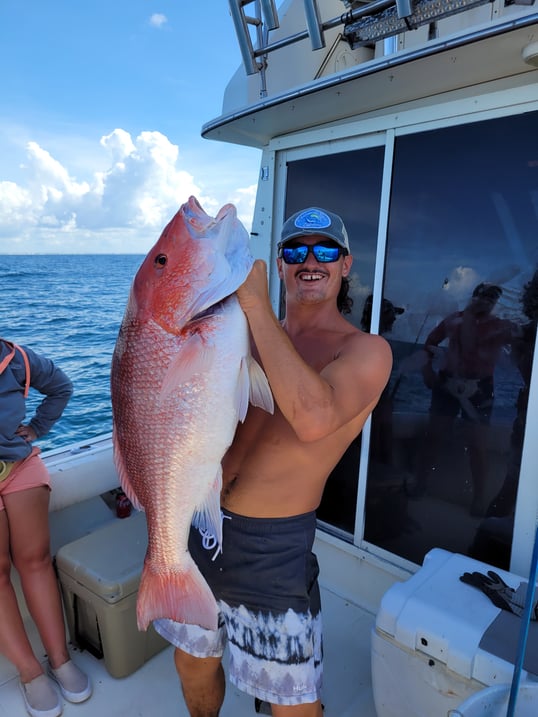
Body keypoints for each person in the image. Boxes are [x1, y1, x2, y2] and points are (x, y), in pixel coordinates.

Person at [154, 207, 392, 716]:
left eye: (325, 250)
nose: (310, 260)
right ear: (279, 263)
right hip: (202, 523)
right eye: (295, 250)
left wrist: (258, 308)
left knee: (292, 702)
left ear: (345, 265)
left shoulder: (366, 350)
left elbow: (311, 417)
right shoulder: (237, 334)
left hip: (274, 548)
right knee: (192, 661)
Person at [0, 339, 92, 717]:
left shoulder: (16, 358)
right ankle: (29, 672)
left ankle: (60, 659)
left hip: (19, 467)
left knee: (35, 560)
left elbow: (61, 386)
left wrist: (37, 428)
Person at [411, 282, 517, 515]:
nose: (486, 300)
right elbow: (429, 344)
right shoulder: (454, 320)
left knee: (478, 445)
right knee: (434, 437)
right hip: (448, 384)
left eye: (491, 298)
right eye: (481, 295)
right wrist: (428, 374)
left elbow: (522, 341)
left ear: (496, 303)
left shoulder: (500, 327)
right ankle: (420, 484)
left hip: (480, 390)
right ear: (473, 296)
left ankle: (479, 498)